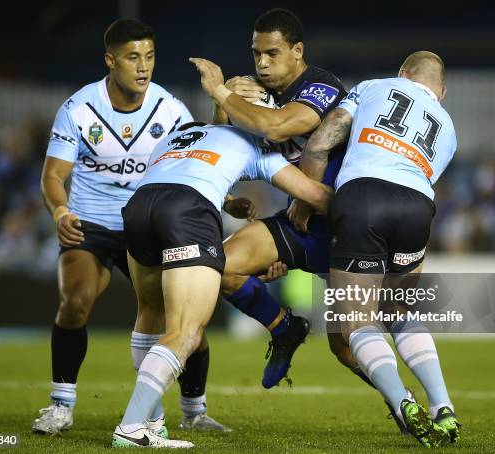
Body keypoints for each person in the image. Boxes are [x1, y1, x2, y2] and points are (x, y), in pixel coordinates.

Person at [34, 19, 227, 436]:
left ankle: (194, 410)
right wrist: (61, 212)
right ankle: (61, 405)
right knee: (75, 301)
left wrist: (228, 199)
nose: (144, 67)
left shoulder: (171, 110)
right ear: (110, 60)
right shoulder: (79, 109)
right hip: (91, 224)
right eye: (133, 57)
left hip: (146, 223)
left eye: (150, 57)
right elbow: (52, 176)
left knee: (184, 320)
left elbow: (194, 166)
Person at [112, 122, 332, 448]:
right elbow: (314, 195)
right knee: (185, 331)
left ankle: (152, 422)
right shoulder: (255, 141)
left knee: (149, 314)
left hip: (140, 206)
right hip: (186, 211)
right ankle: (131, 428)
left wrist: (228, 200)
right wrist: (365, 209)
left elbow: (187, 169)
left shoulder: (183, 133)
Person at [293, 51, 461, 447]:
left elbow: (321, 142)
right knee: (399, 310)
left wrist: (303, 201)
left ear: (402, 73)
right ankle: (443, 406)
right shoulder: (449, 128)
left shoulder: (374, 86)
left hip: (364, 196)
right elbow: (423, 176)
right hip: (418, 207)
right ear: (442, 91)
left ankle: (402, 401)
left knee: (356, 323)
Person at [189, 8, 349, 389]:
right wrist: (223, 106)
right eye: (256, 53)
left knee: (347, 346)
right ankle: (285, 329)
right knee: (222, 267)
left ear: (297, 50)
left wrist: (221, 92)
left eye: (272, 53)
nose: (262, 62)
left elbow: (277, 126)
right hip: (299, 221)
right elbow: (222, 146)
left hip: (346, 223)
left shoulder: (319, 86)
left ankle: (404, 403)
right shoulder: (257, 96)